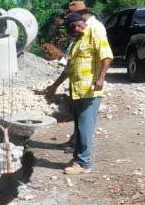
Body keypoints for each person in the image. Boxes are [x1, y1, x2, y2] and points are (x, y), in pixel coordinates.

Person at [44, 13, 113, 174]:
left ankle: (83, 164)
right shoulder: (76, 42)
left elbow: (107, 57)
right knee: (80, 127)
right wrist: (54, 86)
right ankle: (78, 158)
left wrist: (101, 79)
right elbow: (69, 68)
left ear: (80, 23)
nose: (74, 30)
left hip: (89, 90)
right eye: (71, 29)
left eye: (75, 26)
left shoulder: (94, 34)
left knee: (85, 127)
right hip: (77, 91)